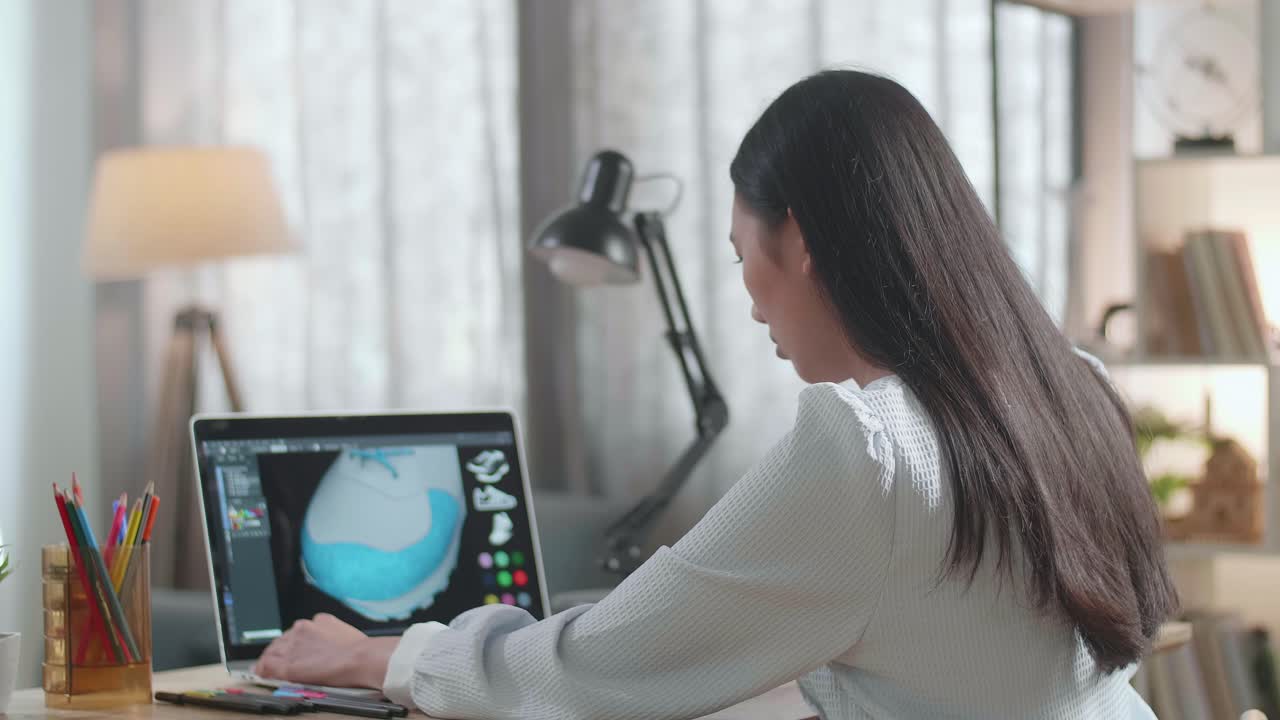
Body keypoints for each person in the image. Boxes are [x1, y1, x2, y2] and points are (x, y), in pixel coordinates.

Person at [255, 70, 1177, 719]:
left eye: (743, 258)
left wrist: (386, 656)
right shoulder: (1078, 391)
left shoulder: (868, 451)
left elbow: (598, 668)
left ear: (802, 242)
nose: (747, 302)